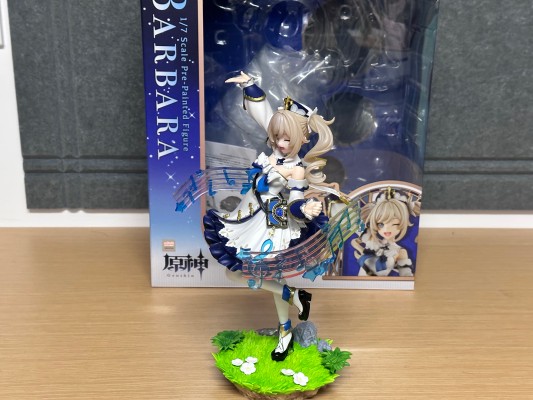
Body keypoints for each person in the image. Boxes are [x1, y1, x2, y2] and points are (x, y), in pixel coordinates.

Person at [203, 72, 334, 361]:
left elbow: (295, 201)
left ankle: (285, 329)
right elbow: (263, 114)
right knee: (236, 272)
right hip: (249, 217)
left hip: (273, 226)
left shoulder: (296, 169)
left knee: (253, 273)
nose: (280, 143)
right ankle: (294, 298)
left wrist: (305, 209)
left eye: (287, 139)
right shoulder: (273, 151)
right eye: (276, 137)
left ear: (302, 139)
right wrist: (249, 85)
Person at [351, 187, 420, 276]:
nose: (386, 229)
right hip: (358, 283)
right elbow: (354, 240)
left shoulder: (400, 252)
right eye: (381, 224)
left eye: (394, 224)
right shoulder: (371, 240)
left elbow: (406, 277)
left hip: (381, 284)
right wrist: (362, 250)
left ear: (403, 223)